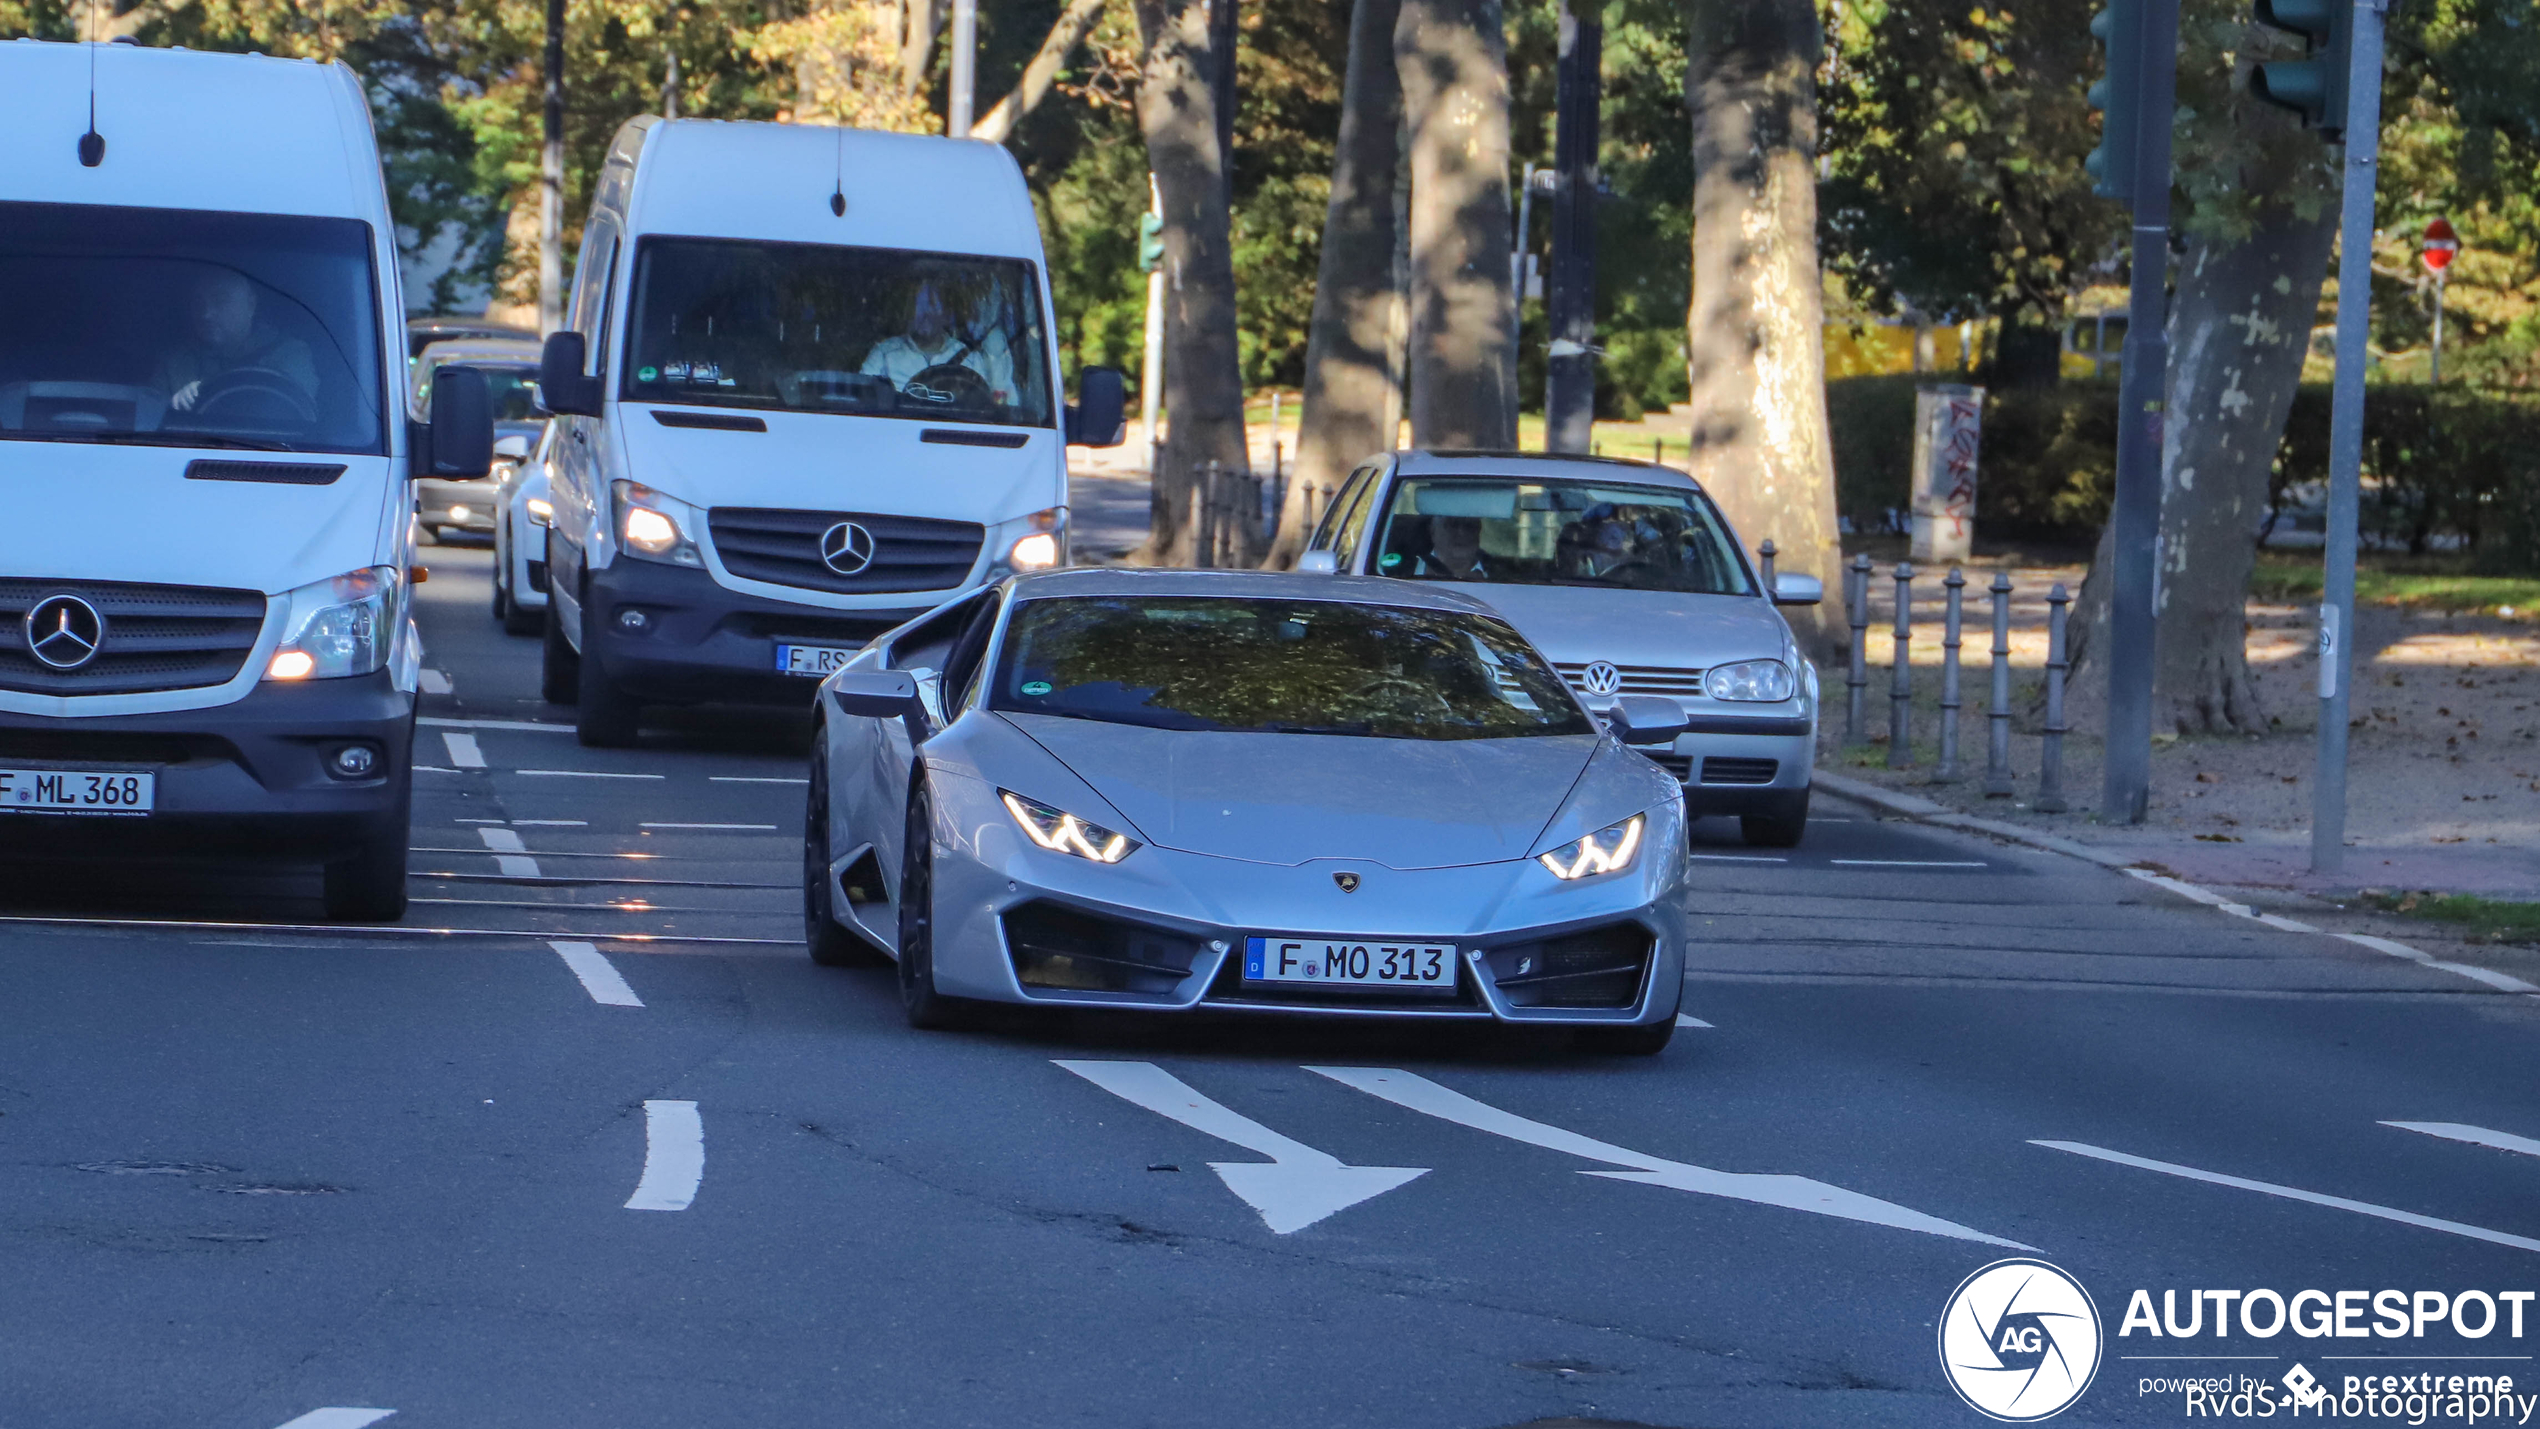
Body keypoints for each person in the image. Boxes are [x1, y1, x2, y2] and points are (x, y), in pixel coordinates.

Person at [155, 269, 318, 413]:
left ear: (250, 304)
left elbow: (297, 414)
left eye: (220, 300)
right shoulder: (175, 363)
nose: (206, 314)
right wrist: (172, 407)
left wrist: (208, 391)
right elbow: (146, 419)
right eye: (198, 303)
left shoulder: (289, 354)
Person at [859, 280, 1016, 407]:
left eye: (932, 305)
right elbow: (862, 399)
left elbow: (986, 406)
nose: (925, 313)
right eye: (918, 306)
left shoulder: (971, 359)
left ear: (947, 315)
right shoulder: (884, 354)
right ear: (909, 313)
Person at [1416, 515, 1498, 581]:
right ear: (1432, 530)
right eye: (1452, 524)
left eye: (1469, 526)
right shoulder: (1408, 570)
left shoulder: (1502, 574)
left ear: (1478, 530)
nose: (1462, 533)